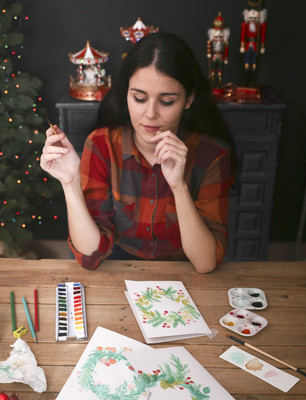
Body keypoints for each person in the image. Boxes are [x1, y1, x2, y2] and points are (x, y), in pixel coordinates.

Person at [41, 32, 235, 273]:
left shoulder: (213, 155)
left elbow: (205, 263)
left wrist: (178, 187)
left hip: (184, 267)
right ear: (127, 94)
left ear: (188, 99)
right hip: (120, 263)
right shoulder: (102, 145)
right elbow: (91, 256)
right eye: (140, 98)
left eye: (166, 102)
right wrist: (70, 182)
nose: (150, 114)